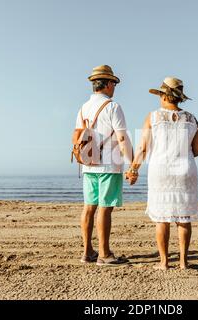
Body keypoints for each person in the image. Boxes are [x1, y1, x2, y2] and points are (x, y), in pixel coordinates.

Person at [125, 77, 198, 270]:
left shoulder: (153, 117)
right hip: (186, 170)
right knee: (183, 218)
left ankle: (164, 262)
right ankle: (184, 262)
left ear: (163, 95)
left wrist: (133, 169)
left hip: (160, 170)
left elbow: (143, 148)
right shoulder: (192, 119)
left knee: (162, 218)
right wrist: (182, 153)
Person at [76, 65, 133, 266]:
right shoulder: (112, 107)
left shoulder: (83, 107)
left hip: (88, 164)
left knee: (89, 207)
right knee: (105, 208)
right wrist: (132, 164)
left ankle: (87, 252)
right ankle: (105, 254)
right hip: (109, 164)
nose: (115, 87)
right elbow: (122, 137)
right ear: (108, 84)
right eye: (114, 83)